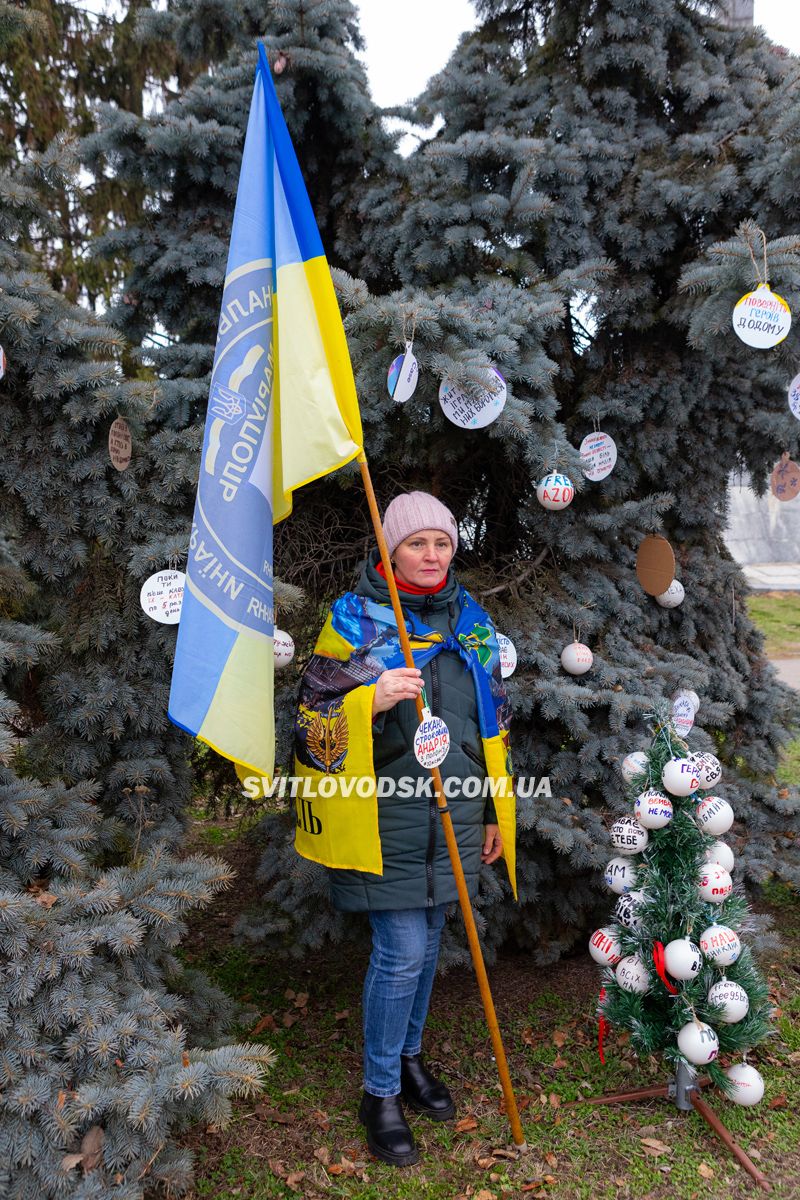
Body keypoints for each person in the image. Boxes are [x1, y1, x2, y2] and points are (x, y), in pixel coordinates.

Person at [293, 490, 516, 1167]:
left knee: (429, 944)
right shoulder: (354, 621)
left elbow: (493, 725)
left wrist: (493, 812)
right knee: (401, 953)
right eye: (416, 543)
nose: (431, 555)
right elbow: (310, 720)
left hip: (456, 813)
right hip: (383, 814)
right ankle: (380, 1093)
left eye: (441, 542)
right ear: (391, 551)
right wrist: (367, 699)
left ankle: (411, 1061)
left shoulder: (471, 623)